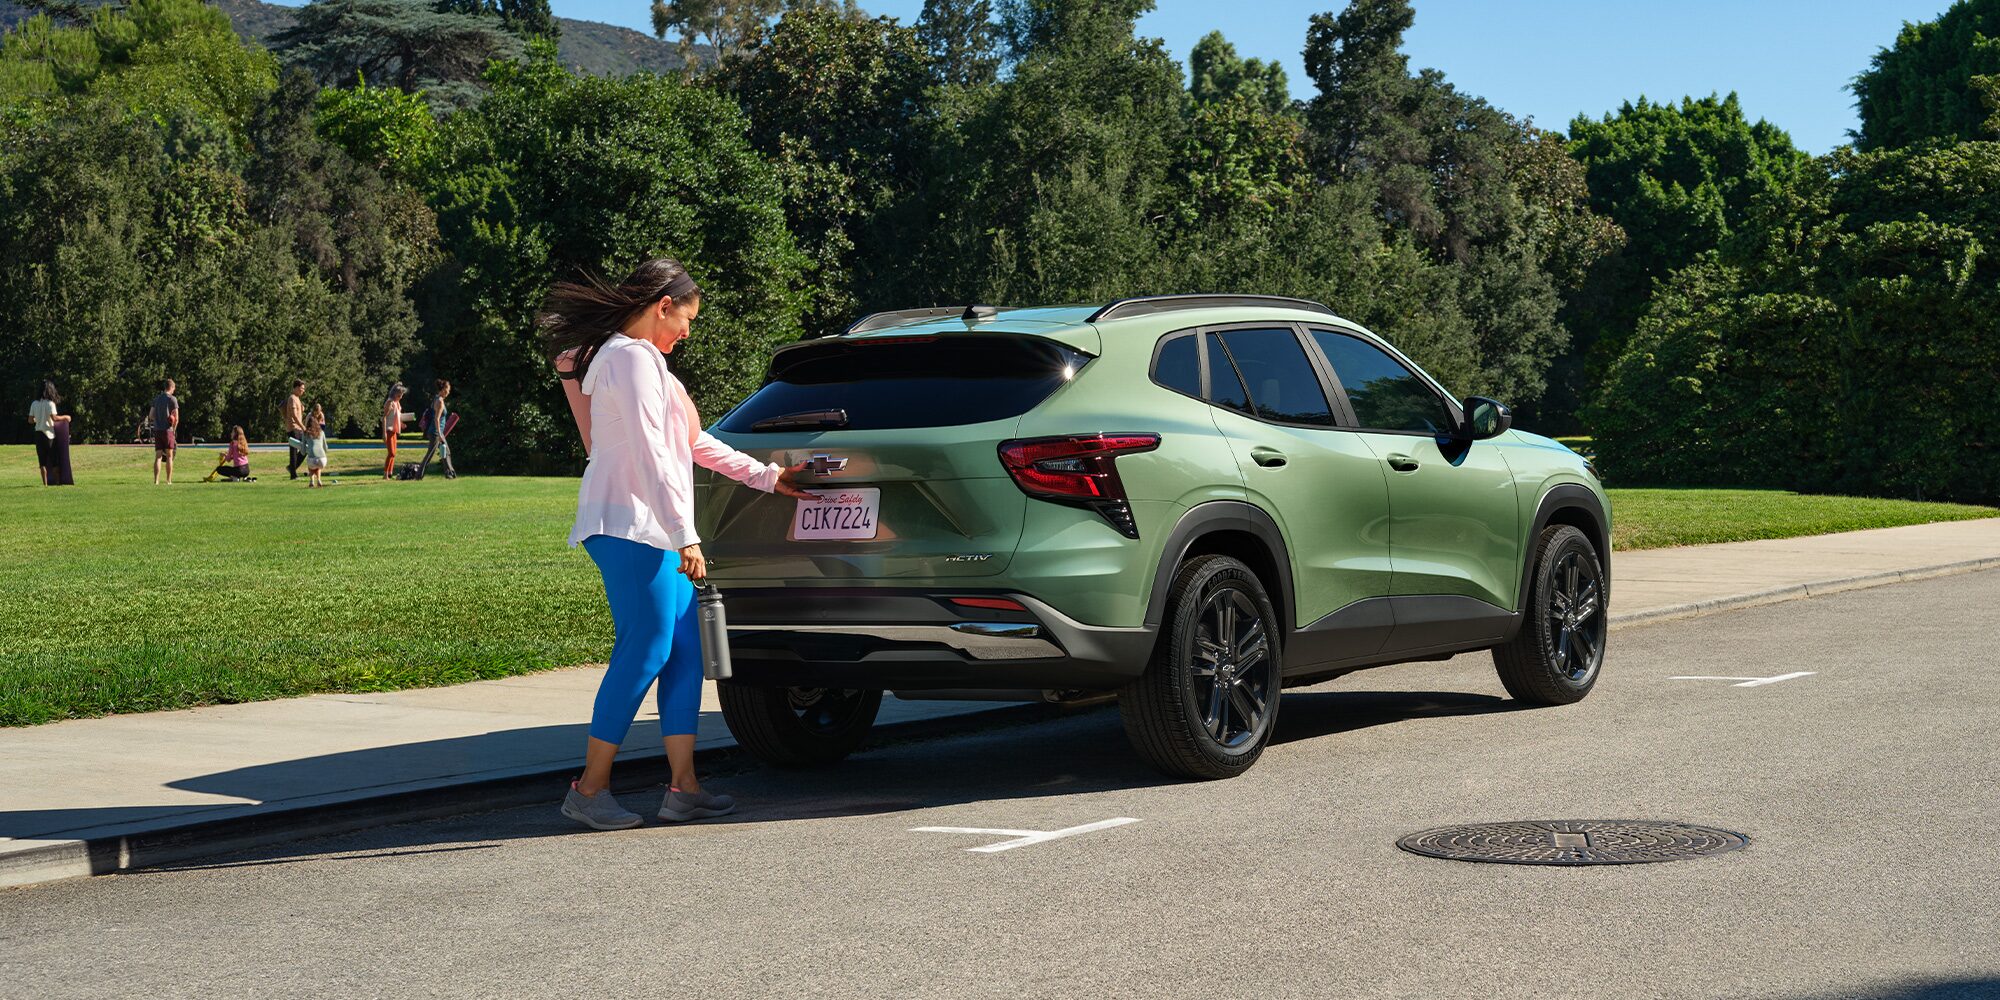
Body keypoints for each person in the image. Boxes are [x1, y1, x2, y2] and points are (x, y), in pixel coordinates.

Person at [541, 257, 812, 830]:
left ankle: (683, 788)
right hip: (630, 526)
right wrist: (685, 535)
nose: (688, 333)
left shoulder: (648, 365)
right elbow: (650, 454)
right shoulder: (630, 359)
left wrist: (768, 478)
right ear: (663, 307)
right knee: (645, 649)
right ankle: (589, 790)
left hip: (651, 527)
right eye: (686, 319)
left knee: (685, 649)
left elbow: (692, 443)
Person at [27, 381, 72, 486]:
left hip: (38, 434)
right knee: (54, 461)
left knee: (42, 461)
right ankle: (57, 483)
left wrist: (39, 419)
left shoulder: (34, 403)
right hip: (49, 435)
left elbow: (30, 420)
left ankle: (45, 485)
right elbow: (54, 418)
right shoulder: (50, 404)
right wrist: (66, 417)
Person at [419, 379, 457, 479]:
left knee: (446, 452)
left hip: (437, 431)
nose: (449, 392)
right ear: (444, 389)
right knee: (430, 454)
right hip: (435, 432)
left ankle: (449, 474)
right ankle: (418, 475)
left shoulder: (437, 398)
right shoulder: (439, 401)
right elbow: (436, 419)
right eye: (448, 389)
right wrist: (440, 434)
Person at [151, 378, 179, 485]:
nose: (174, 390)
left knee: (158, 456)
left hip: (158, 430)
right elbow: (176, 418)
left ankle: (156, 481)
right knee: (169, 456)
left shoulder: (157, 399)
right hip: (168, 431)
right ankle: (168, 481)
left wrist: (159, 418)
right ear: (171, 387)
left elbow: (151, 415)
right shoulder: (172, 399)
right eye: (174, 388)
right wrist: (174, 430)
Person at [282, 380, 307, 480]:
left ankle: (292, 468)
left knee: (305, 449)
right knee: (294, 451)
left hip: (298, 428)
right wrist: (303, 426)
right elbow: (294, 415)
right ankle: (293, 475)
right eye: (301, 389)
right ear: (296, 388)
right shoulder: (292, 398)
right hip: (293, 428)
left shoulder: (297, 398)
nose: (303, 391)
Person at [300, 405, 330, 487]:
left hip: (312, 459)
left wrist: (306, 450)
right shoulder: (322, 432)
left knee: (311, 465)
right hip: (322, 459)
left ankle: (311, 480)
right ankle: (319, 480)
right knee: (318, 465)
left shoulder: (305, 433)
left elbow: (303, 451)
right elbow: (326, 448)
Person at [381, 383, 406, 480]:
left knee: (394, 453)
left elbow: (396, 416)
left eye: (402, 395)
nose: (401, 397)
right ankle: (385, 474)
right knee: (391, 453)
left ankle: (390, 473)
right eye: (399, 395)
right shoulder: (390, 402)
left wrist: (401, 424)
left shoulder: (397, 403)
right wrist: (384, 433)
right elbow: (384, 418)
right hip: (389, 430)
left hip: (394, 430)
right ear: (394, 393)